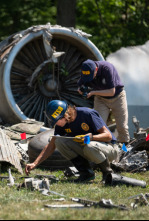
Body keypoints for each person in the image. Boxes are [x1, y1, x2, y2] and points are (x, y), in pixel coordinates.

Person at [25, 100, 119, 183]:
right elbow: (51, 145)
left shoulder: (87, 113)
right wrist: (34, 163)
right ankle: (86, 173)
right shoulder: (61, 125)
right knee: (59, 141)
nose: (56, 124)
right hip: (90, 149)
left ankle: (108, 173)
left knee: (89, 146)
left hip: (109, 149)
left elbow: (109, 136)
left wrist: (91, 137)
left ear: (65, 115)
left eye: (56, 121)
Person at [78, 59, 130, 144]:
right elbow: (80, 85)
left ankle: (124, 147)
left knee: (122, 127)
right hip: (101, 99)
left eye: (91, 76)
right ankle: (100, 147)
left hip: (118, 97)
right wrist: (81, 90)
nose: (89, 79)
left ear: (96, 69)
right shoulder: (85, 71)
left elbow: (111, 92)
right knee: (98, 125)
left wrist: (93, 92)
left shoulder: (107, 68)